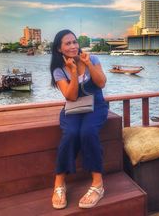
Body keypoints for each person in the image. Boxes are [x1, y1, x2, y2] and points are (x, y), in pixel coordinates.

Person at [50, 29, 108, 209]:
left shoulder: (92, 58)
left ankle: (98, 184)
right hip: (74, 107)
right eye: (68, 43)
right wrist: (74, 71)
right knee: (71, 133)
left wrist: (88, 64)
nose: (73, 46)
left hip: (96, 105)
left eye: (74, 42)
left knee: (88, 132)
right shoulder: (58, 69)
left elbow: (101, 83)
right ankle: (59, 182)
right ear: (60, 49)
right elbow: (71, 96)